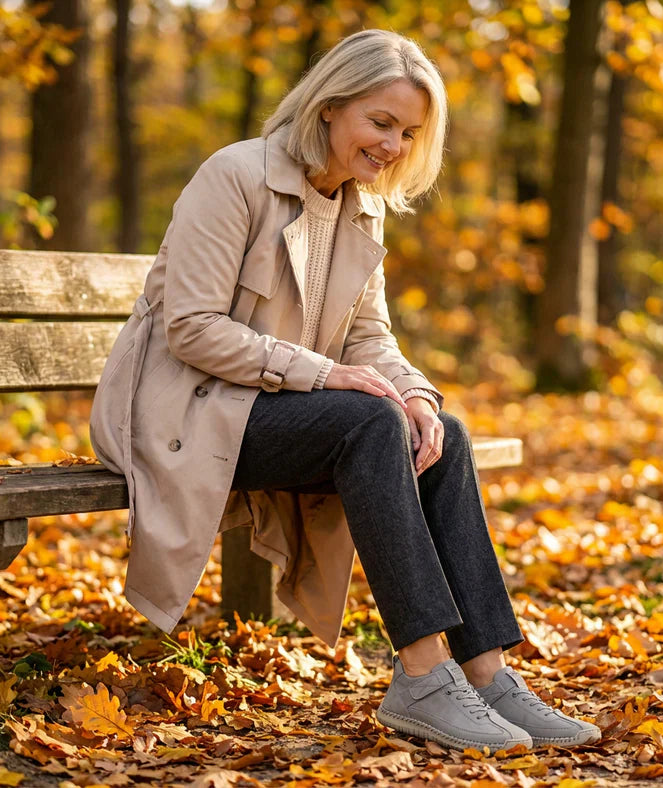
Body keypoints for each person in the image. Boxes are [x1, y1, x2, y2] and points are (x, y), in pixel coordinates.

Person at [90, 29, 600, 752]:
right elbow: (192, 329)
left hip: (268, 406)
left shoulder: (362, 205)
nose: (393, 146)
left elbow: (369, 337)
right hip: (183, 411)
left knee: (440, 432)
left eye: (408, 134)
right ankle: (422, 674)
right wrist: (324, 374)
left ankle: (486, 673)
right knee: (370, 423)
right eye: (380, 122)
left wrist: (416, 395)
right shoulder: (234, 175)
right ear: (329, 105)